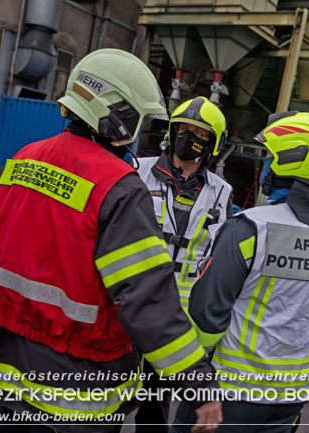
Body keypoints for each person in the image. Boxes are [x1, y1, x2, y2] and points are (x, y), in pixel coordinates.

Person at [0, 49, 221, 433]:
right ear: (122, 115)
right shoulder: (120, 188)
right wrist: (198, 384)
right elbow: (147, 301)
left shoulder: (23, 160)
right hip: (78, 384)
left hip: (5, 366)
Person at [171, 112, 309, 433]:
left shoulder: (250, 228)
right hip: (289, 399)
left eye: (272, 156)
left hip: (229, 394)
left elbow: (207, 314)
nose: (266, 163)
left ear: (293, 161)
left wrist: (193, 373)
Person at [134, 97, 233, 432]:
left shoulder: (222, 192)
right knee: (107, 399)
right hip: (129, 301)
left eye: (199, 134)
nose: (189, 137)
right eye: (184, 130)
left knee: (155, 407)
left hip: (175, 317)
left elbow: (218, 255)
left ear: (212, 144)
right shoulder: (138, 169)